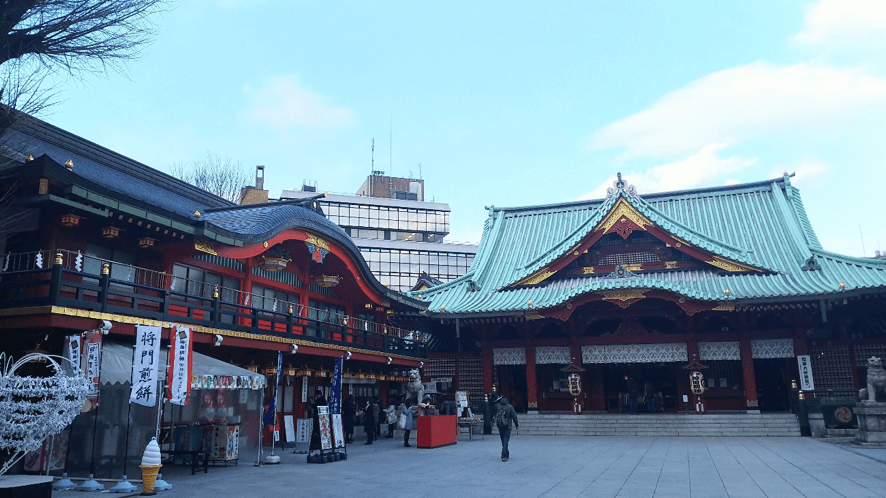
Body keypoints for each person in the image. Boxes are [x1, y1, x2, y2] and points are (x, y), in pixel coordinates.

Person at [494, 396, 518, 462]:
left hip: (500, 425)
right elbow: (514, 416)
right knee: (506, 440)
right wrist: (516, 424)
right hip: (508, 426)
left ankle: (505, 453)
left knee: (503, 440)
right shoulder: (510, 407)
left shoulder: (498, 406)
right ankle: (505, 455)